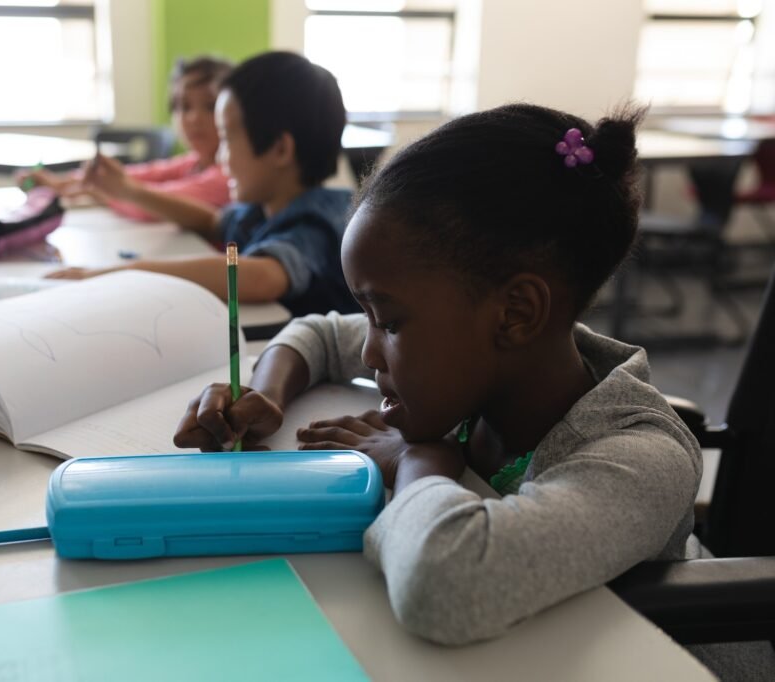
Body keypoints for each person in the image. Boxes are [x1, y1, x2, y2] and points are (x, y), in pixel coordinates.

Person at [171, 103, 775, 679]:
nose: (368, 349)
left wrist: (419, 463)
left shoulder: (640, 459)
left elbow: (447, 584)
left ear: (515, 313)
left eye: (390, 322)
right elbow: (320, 332)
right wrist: (267, 391)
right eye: (370, 314)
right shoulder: (492, 359)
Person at [48, 51, 359, 318]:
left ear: (279, 150)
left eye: (226, 139)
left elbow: (264, 276)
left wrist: (131, 272)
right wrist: (129, 192)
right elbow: (210, 220)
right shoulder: (260, 209)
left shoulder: (318, 220)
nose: (222, 158)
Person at [17, 56, 232, 221]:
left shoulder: (228, 177)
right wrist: (61, 182)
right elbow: (140, 176)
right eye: (183, 107)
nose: (193, 118)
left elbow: (153, 204)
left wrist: (101, 189)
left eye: (210, 106)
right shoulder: (193, 162)